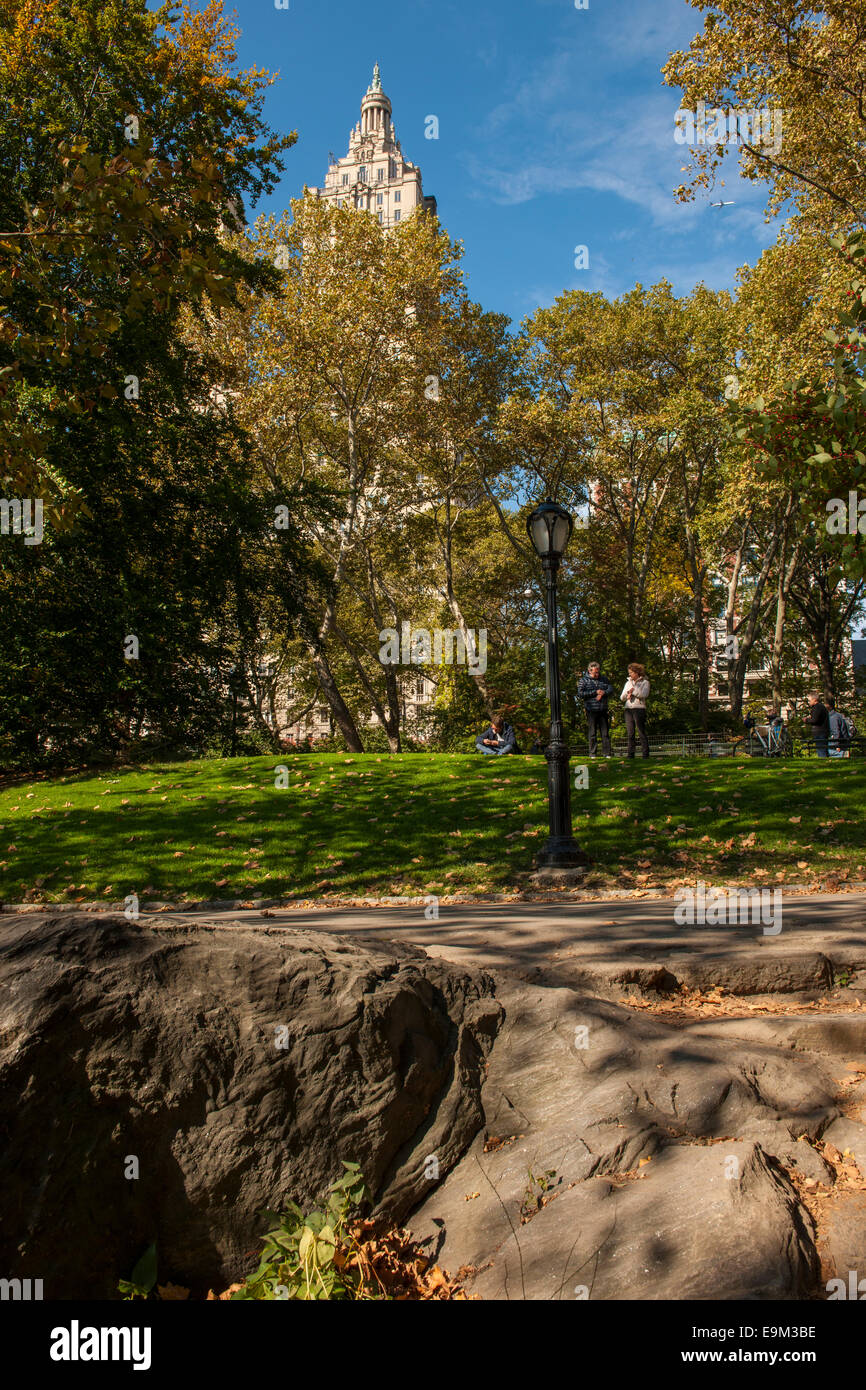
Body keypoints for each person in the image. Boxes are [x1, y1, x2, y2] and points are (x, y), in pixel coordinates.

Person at [578, 661, 613, 757]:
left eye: (598, 672)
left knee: (605, 733)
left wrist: (603, 693)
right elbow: (580, 694)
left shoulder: (604, 679)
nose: (597, 674)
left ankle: (607, 753)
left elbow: (610, 689)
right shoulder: (583, 681)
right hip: (591, 709)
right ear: (589, 671)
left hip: (603, 709)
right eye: (595, 672)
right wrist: (595, 692)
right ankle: (593, 753)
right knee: (592, 733)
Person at [620, 662, 650, 758]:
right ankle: (630, 754)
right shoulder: (627, 683)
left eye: (631, 672)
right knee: (630, 733)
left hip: (639, 709)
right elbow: (622, 697)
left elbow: (644, 695)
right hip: (628, 709)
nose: (630, 674)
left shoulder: (645, 683)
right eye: (629, 672)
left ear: (637, 672)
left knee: (641, 732)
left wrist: (634, 692)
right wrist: (628, 693)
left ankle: (645, 754)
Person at [806, 693, 830, 757]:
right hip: (822, 731)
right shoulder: (820, 707)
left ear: (814, 700)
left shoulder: (817, 707)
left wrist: (806, 720)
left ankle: (824, 763)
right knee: (822, 749)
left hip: (820, 732)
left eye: (809, 700)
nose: (808, 702)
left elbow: (815, 720)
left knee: (821, 750)